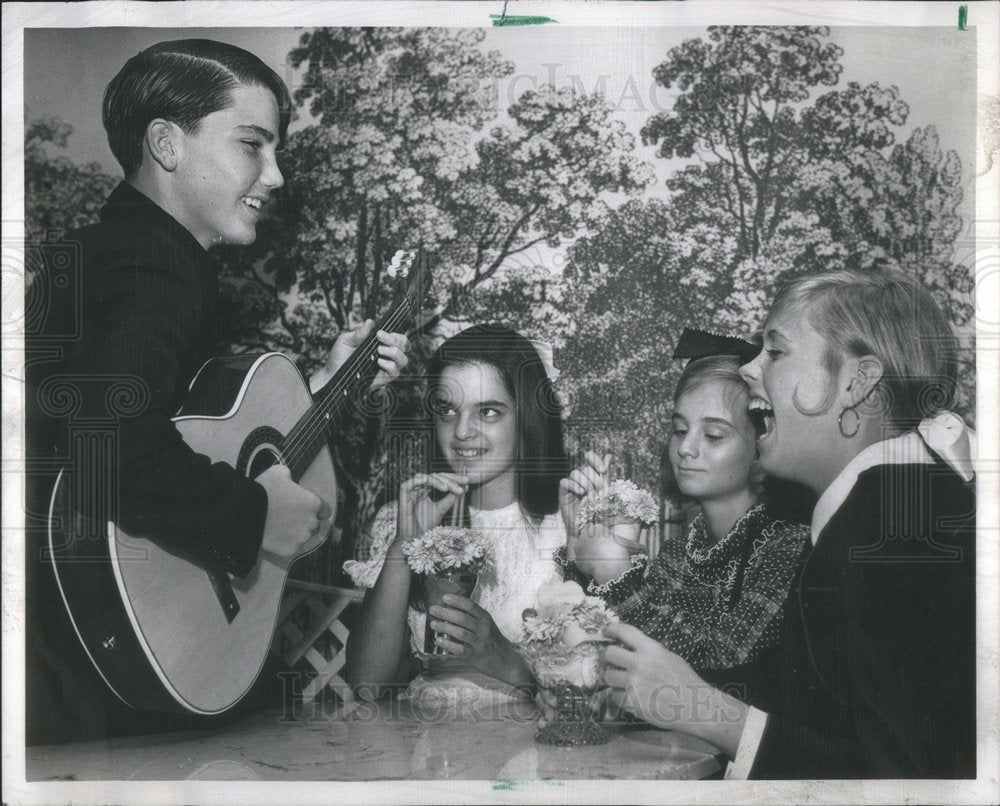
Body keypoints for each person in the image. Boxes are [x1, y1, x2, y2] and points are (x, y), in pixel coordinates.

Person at [24, 39, 409, 744]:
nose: (278, 174)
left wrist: (322, 388)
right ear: (167, 144)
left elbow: (123, 417)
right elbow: (112, 446)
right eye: (253, 145)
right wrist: (253, 516)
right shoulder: (157, 270)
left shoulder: (99, 253)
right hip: (85, 676)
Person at [600, 268, 976, 779]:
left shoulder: (894, 534)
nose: (750, 369)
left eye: (775, 352)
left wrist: (702, 710)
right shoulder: (891, 507)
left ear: (855, 383)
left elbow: (910, 781)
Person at [344, 324, 569, 705]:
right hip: (426, 751)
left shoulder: (568, 525)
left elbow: (605, 695)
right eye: (447, 410)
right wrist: (403, 546)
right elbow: (367, 684)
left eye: (488, 411)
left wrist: (511, 664)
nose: (462, 431)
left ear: (527, 417)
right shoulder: (406, 517)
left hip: (532, 756)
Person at [558, 343, 809, 671]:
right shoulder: (677, 555)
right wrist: (581, 548)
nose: (686, 448)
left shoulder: (788, 548)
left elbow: (719, 670)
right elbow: (593, 660)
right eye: (679, 430)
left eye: (713, 435)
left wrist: (616, 573)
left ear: (762, 444)